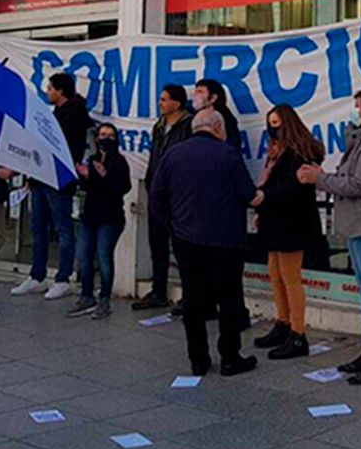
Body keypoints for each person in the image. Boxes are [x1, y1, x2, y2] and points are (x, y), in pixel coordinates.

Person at [298, 89, 361, 386]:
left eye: (357, 107)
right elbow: (350, 178)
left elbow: (358, 183)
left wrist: (319, 178)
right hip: (360, 222)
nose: (353, 112)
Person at [147, 108, 257, 378]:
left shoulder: (173, 154)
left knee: (193, 302)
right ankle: (230, 358)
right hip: (226, 241)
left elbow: (156, 198)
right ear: (219, 128)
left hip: (186, 240)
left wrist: (173, 226)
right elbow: (248, 194)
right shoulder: (229, 154)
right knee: (229, 300)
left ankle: (198, 360)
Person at [251, 105, 325, 360]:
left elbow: (295, 188)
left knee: (290, 277)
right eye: (270, 124)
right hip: (275, 217)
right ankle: (282, 323)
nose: (274, 128)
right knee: (275, 274)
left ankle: (298, 333)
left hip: (293, 220)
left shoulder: (302, 150)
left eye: (277, 123)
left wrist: (264, 197)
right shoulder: (277, 150)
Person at [11, 72, 91, 300]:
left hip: (60, 179)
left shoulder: (74, 115)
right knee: (38, 228)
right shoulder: (54, 114)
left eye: (50, 88)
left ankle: (63, 278)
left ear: (60, 90)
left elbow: (61, 146)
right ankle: (37, 276)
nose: (47, 92)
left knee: (64, 229)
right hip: (40, 177)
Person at [133, 84, 191, 311]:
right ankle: (158, 292)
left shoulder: (188, 126)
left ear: (177, 103)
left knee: (182, 247)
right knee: (157, 245)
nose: (161, 103)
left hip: (177, 197)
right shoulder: (159, 126)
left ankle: (190, 295)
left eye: (165, 99)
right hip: (157, 194)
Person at [69, 122, 131, 320]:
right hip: (90, 215)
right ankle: (86, 295)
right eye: (102, 135)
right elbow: (89, 188)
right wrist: (85, 176)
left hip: (110, 218)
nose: (106, 139)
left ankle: (104, 299)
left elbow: (122, 188)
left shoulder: (119, 162)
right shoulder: (93, 159)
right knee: (84, 257)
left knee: (104, 257)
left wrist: (105, 176)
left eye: (110, 135)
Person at [193, 79, 241, 152]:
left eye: (200, 92)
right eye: (195, 92)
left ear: (213, 98)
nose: (195, 95)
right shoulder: (194, 117)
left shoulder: (226, 119)